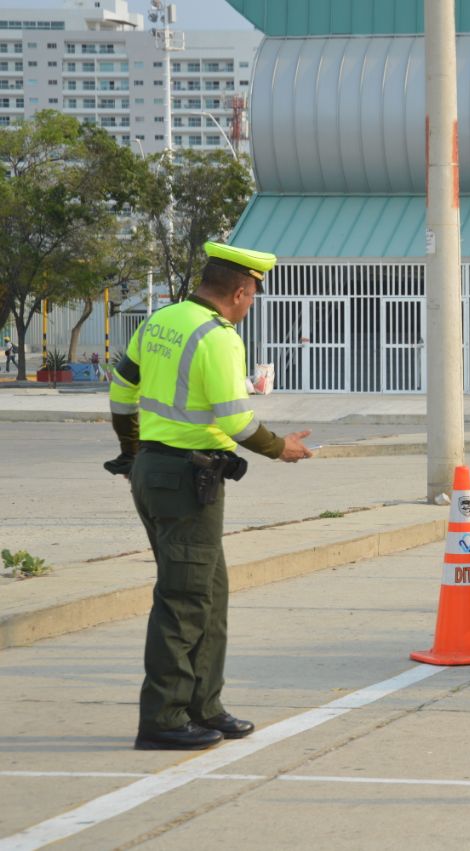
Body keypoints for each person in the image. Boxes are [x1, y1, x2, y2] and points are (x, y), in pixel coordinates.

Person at [107, 241, 313, 751]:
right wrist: (280, 448)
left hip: (155, 471)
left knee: (209, 594)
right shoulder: (219, 338)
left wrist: (132, 453)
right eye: (253, 296)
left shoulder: (161, 320)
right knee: (184, 600)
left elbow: (120, 390)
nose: (251, 306)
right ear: (240, 291)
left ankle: (204, 706)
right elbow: (237, 419)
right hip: (187, 479)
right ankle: (163, 717)